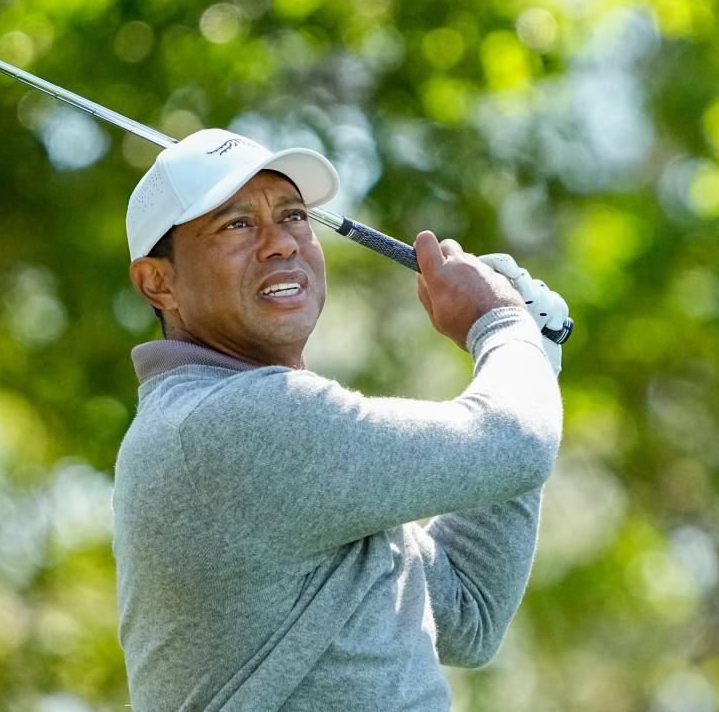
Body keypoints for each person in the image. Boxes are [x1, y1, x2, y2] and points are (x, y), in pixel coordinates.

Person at [112, 128, 566, 711]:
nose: (281, 244)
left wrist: (531, 358)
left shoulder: (276, 445)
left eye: (294, 215)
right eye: (236, 224)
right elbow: (515, 444)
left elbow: (467, 611)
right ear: (159, 282)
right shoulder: (228, 422)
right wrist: (503, 328)